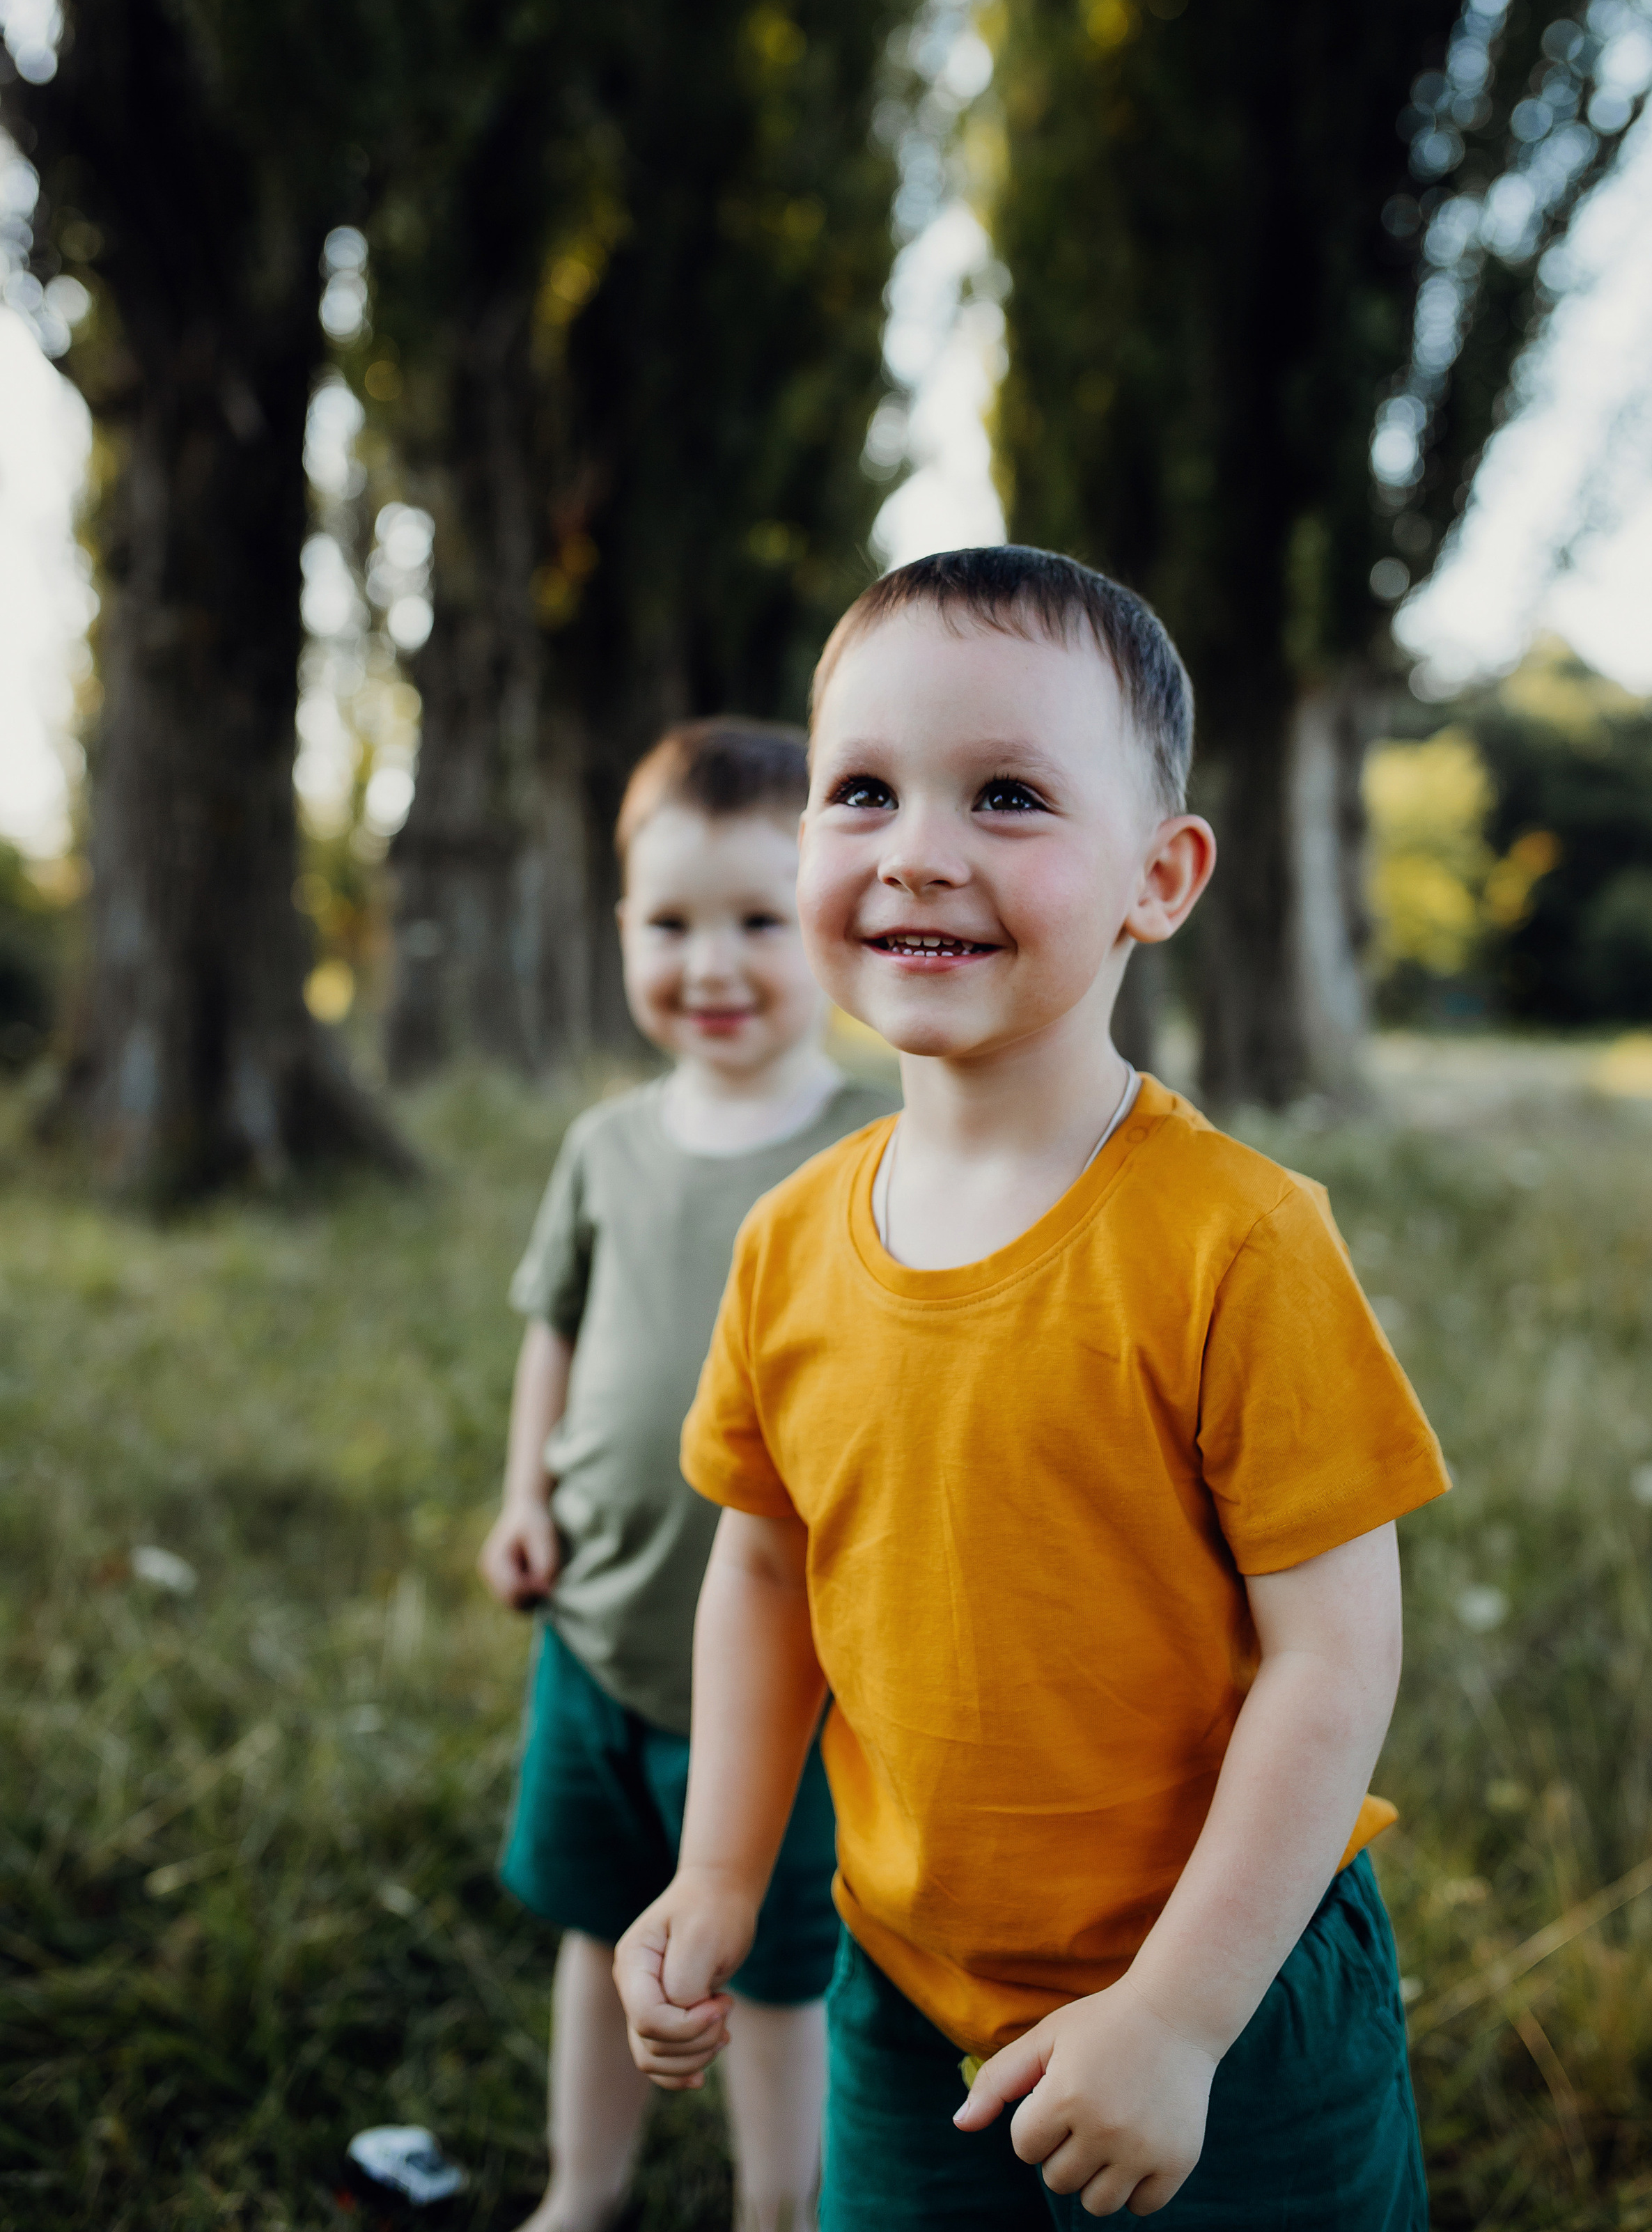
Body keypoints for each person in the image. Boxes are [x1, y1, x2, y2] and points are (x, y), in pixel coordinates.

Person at [613, 549, 1451, 2229]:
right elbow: (766, 1566)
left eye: (1004, 795)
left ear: (1160, 874)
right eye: (861, 790)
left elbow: (1334, 1648)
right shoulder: (788, 1241)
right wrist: (717, 1868)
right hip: (909, 1999)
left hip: (1233, 2004)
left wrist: (1176, 2017)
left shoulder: (1235, 1241)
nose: (918, 850)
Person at [479, 717, 896, 2232]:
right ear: (618, 931)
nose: (709, 966)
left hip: (784, 1677)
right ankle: (579, 2194)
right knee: (600, 1933)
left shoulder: (879, 1142)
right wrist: (523, 1497)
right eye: (669, 924)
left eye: (756, 921)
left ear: (831, 919)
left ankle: (775, 2211)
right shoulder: (603, 1144)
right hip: (596, 1637)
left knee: (774, 1974)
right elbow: (557, 1327)